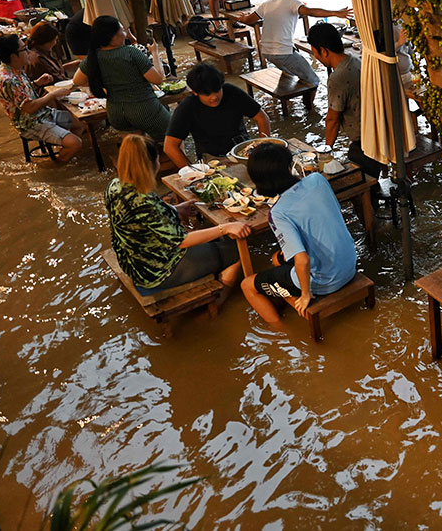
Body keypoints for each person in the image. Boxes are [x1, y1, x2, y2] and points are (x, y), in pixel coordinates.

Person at [106, 134, 250, 300]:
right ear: (153, 164)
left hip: (132, 262)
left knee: (214, 239)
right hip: (155, 272)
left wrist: (176, 209)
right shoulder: (144, 201)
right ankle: (217, 303)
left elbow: (141, 218)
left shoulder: (115, 185)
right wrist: (225, 228)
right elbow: (182, 241)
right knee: (236, 251)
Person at [240, 142, 357, 326]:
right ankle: (286, 294)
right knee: (277, 259)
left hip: (325, 280)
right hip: (349, 262)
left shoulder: (278, 212)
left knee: (247, 285)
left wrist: (305, 295)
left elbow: (302, 260)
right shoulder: (317, 179)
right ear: (289, 166)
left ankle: (283, 333)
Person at [237, 0, 351, 86]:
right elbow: (311, 12)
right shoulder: (293, 2)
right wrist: (336, 13)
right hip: (282, 53)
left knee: (291, 74)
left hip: (266, 52)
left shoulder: (267, 3)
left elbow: (248, 20)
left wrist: (242, 18)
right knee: (313, 81)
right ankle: (307, 104)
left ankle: (290, 98)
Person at [307, 21, 386, 180]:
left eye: (315, 52)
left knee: (360, 185)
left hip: (364, 142)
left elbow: (332, 120)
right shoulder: (356, 59)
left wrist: (326, 150)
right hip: (378, 130)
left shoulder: (338, 77)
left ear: (324, 51)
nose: (315, 57)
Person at [73, 15, 170, 142]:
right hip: (144, 109)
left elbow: (77, 81)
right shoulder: (131, 52)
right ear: (113, 36)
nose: (125, 34)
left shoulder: (93, 57)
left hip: (116, 113)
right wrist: (155, 53)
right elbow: (158, 79)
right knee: (175, 141)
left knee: (136, 150)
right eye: (122, 30)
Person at [0, 34, 84, 162]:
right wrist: (52, 95)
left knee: (80, 125)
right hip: (31, 123)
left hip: (42, 114)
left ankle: (64, 150)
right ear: (14, 56)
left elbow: (21, 93)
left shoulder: (13, 68)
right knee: (76, 143)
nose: (29, 52)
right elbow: (29, 108)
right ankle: (57, 168)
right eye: (24, 49)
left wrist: (37, 83)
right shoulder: (8, 79)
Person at [164, 62, 271, 168]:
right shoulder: (187, 107)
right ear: (195, 92)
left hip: (242, 149)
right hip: (212, 158)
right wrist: (191, 171)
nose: (214, 97)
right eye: (207, 94)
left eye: (217, 90)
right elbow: (170, 146)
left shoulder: (232, 92)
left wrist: (262, 148)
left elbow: (262, 118)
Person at [25, 21, 70, 94]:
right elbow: (59, 79)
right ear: (46, 41)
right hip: (48, 94)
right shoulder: (38, 58)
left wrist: (70, 65)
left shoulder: (38, 51)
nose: (55, 43)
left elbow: (54, 70)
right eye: (54, 40)